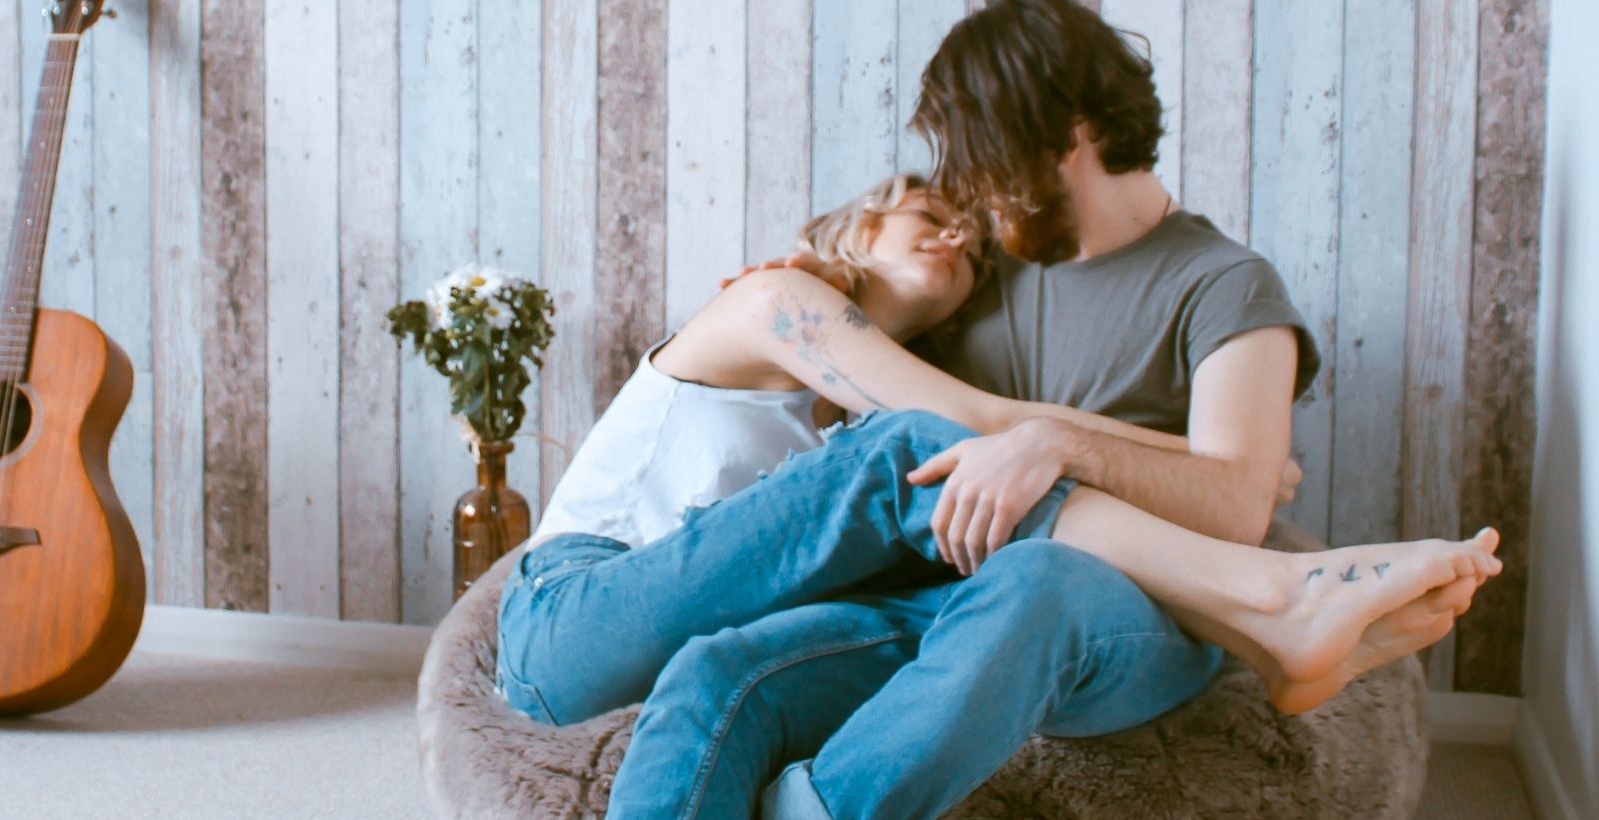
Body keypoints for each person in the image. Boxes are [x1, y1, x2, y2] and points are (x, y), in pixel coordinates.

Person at [596, 2, 1499, 816]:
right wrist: (806, 281)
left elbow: (1237, 505)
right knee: (717, 670)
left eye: (980, 156)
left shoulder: (1228, 288)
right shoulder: (977, 266)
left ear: (1066, 135)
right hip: (931, 594)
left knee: (1035, 584)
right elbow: (863, 354)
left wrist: (1057, 442)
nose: (967, 191)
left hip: (1118, 614)